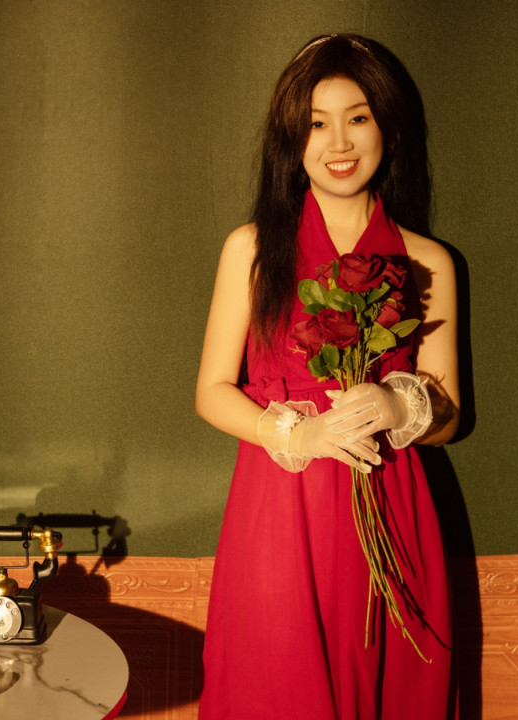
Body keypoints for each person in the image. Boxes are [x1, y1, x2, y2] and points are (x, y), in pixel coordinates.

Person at [195, 34, 460, 719]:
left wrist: (401, 408)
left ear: (388, 129)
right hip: (279, 515)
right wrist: (297, 435)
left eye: (358, 117)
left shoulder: (429, 261)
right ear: (292, 139)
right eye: (317, 123)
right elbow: (211, 392)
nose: (339, 141)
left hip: (392, 516)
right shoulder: (252, 249)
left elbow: (450, 414)